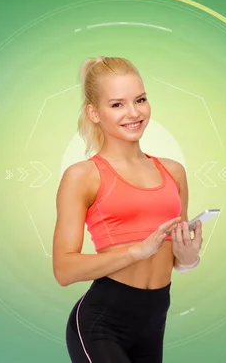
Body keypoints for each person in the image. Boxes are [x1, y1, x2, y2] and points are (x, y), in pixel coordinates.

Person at [53, 56, 203, 363]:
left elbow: (177, 258)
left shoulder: (173, 172)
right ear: (94, 113)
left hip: (153, 322)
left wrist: (189, 258)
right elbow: (64, 270)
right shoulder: (83, 176)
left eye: (140, 100)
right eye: (117, 104)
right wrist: (135, 252)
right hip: (101, 323)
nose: (134, 113)